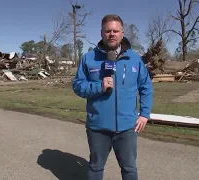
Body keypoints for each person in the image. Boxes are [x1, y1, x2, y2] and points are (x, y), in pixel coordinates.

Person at [72, 14, 153, 180]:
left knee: (129, 169)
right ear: (101, 33)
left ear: (122, 33)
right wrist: (98, 86)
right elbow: (78, 86)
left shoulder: (134, 59)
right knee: (95, 167)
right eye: (108, 31)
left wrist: (144, 114)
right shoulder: (89, 58)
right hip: (98, 128)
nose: (112, 34)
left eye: (115, 30)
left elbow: (146, 87)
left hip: (127, 128)